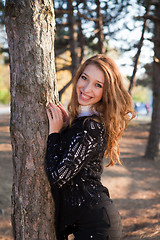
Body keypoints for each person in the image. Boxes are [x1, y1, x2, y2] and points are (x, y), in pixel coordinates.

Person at [46, 54, 136, 240]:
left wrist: (54, 135)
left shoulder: (91, 126)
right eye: (84, 78)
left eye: (98, 85)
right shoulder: (83, 122)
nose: (86, 88)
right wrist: (64, 130)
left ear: (107, 91)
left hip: (98, 226)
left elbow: (57, 177)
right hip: (91, 223)